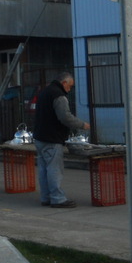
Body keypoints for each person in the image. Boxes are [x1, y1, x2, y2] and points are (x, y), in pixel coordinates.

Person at [32, 72, 90, 208]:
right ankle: (57, 198)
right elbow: (65, 117)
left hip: (40, 136)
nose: (70, 89)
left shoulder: (44, 91)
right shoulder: (59, 95)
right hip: (52, 137)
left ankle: (46, 197)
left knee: (43, 169)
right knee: (54, 169)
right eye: (70, 86)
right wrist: (82, 125)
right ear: (64, 83)